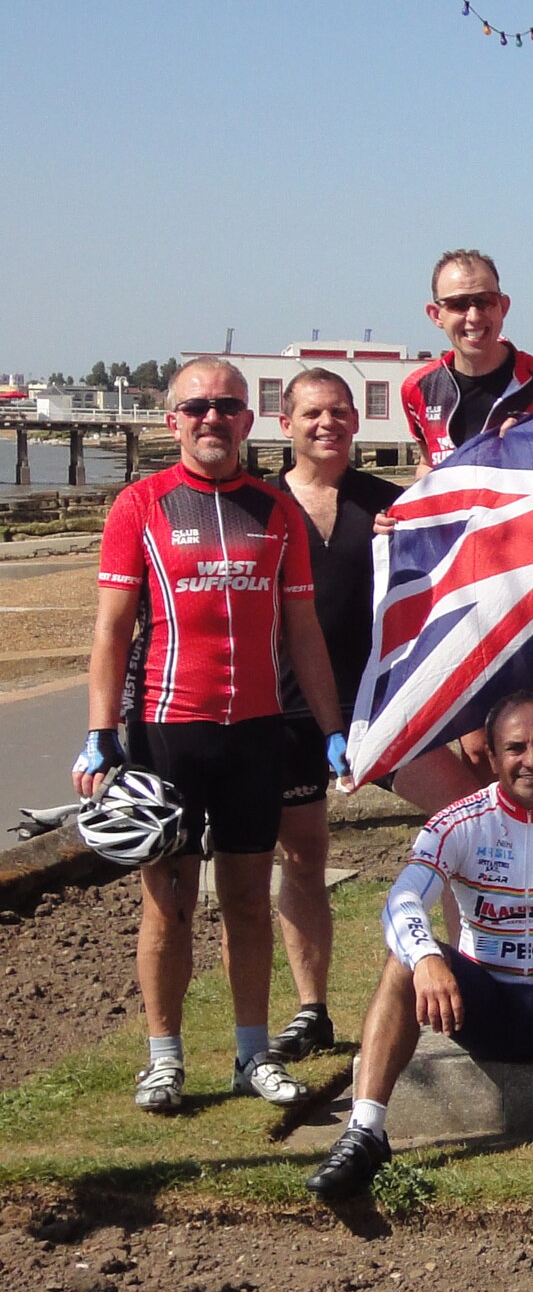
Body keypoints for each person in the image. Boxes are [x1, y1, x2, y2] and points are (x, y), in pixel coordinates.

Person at [74, 358, 350, 1114]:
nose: (213, 418)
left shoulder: (276, 509)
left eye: (228, 405)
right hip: (168, 733)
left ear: (247, 420)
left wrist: (332, 727)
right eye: (196, 406)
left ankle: (251, 1055)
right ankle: (164, 1058)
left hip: (256, 733)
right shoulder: (141, 503)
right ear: (173, 421)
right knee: (167, 902)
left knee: (249, 902)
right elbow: (111, 629)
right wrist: (100, 732)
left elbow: (303, 633)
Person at [303, 693, 533, 1203]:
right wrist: (425, 958)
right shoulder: (456, 822)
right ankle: (365, 1131)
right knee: (403, 962)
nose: (531, 760)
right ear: (490, 756)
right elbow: (402, 897)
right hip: (485, 1009)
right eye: (516, 748)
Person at [401, 249, 533, 796]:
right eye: (459, 304)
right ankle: (502, 863)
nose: (473, 316)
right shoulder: (418, 391)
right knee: (476, 741)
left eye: (484, 301)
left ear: (504, 305)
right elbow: (430, 468)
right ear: (435, 314)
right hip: (467, 583)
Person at [264, 370, 422, 1064]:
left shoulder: (392, 503)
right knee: (303, 856)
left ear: (357, 421)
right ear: (285, 423)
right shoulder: (259, 506)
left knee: (466, 816)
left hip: (387, 699)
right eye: (311, 413)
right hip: (289, 709)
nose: (326, 424)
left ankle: (483, 968)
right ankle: (311, 1009)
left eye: (339, 412)